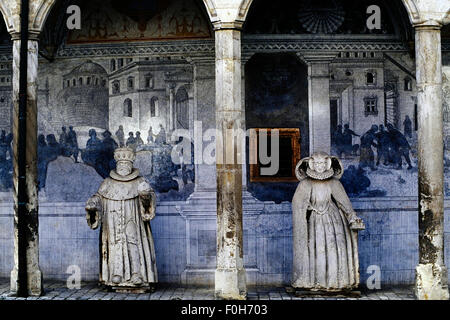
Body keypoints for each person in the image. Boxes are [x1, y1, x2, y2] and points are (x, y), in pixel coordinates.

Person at [85, 147, 158, 291]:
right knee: (114, 243)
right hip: (112, 220)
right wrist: (93, 203)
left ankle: (137, 274)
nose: (123, 167)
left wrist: (145, 196)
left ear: (131, 166)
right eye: (120, 164)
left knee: (133, 243)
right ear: (116, 165)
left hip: (133, 219)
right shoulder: (107, 183)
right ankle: (116, 273)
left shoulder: (140, 182)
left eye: (126, 164)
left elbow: (149, 202)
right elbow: (99, 197)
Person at [292, 152, 365, 291]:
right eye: (317, 164)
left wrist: (352, 216)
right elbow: (297, 204)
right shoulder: (305, 184)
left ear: (328, 164)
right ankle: (314, 282)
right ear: (312, 164)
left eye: (323, 164)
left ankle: (334, 282)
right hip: (314, 221)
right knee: (316, 249)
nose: (320, 167)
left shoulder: (334, 183)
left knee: (334, 250)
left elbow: (344, 203)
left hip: (332, 221)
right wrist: (306, 207)